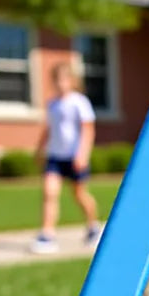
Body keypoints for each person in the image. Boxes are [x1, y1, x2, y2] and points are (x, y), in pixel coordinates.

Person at [31, 62, 101, 254]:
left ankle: (93, 226)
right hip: (55, 156)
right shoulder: (52, 104)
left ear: (71, 81)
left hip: (74, 156)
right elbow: (49, 129)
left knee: (79, 194)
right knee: (49, 193)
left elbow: (88, 130)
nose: (61, 83)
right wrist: (40, 150)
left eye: (64, 79)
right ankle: (47, 234)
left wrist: (82, 154)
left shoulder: (79, 102)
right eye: (57, 80)